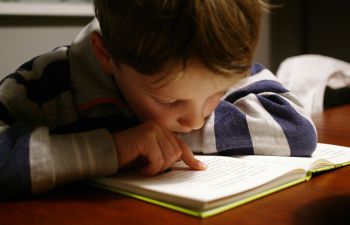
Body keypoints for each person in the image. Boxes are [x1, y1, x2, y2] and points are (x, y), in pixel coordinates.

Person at [0, 0, 317, 200]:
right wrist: (114, 147)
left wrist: (168, 135)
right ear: (105, 55)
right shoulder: (44, 84)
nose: (196, 120)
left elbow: (297, 127)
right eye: (168, 101)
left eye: (217, 94)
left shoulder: (215, 59)